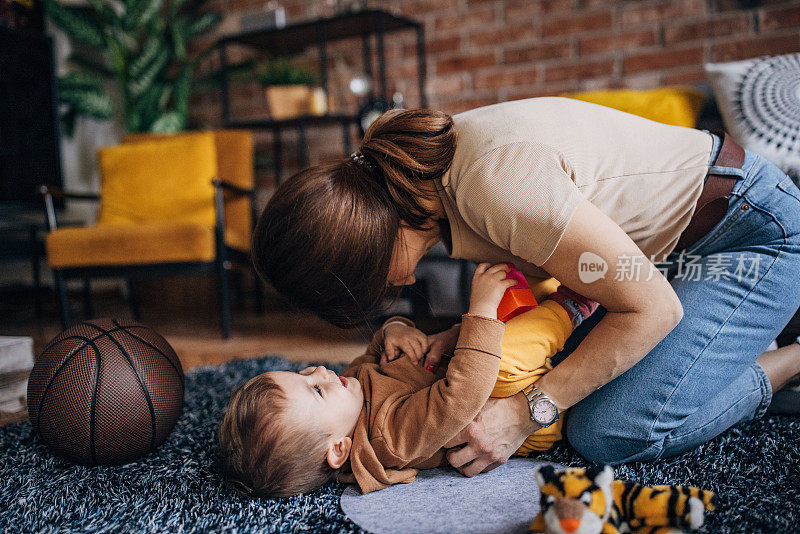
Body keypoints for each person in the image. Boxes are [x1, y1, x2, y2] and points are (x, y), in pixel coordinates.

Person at [252, 98, 800, 473]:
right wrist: (464, 338)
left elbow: (651, 309)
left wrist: (523, 415)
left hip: (752, 242)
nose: (385, 296)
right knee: (566, 366)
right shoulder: (431, 182)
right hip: (660, 263)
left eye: (364, 290)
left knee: (604, 429)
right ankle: (737, 338)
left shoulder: (493, 184)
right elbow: (561, 273)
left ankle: (788, 359)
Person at [217, 263, 598, 497]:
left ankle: (549, 293)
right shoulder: (388, 436)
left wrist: (395, 329)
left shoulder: (348, 392)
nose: (318, 371)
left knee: (496, 325)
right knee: (502, 352)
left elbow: (375, 351)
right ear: (338, 451)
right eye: (315, 390)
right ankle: (571, 307)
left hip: (475, 371)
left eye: (303, 372)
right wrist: (478, 311)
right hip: (510, 410)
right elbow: (460, 398)